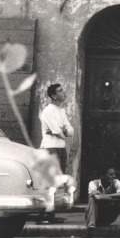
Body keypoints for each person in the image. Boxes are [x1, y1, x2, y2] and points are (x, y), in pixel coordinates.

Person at [38, 82, 73, 223]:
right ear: (53, 95)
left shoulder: (61, 111)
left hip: (60, 147)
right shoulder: (48, 111)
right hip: (50, 147)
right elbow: (59, 131)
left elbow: (70, 130)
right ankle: (44, 214)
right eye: (60, 91)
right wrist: (60, 131)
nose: (64, 92)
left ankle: (50, 214)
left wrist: (60, 131)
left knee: (58, 180)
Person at [81, 167, 120, 238]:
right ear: (102, 176)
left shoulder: (116, 182)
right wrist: (115, 197)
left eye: (114, 174)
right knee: (93, 199)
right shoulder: (93, 183)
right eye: (111, 174)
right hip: (96, 217)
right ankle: (90, 231)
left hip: (109, 216)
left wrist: (105, 196)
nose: (114, 176)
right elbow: (97, 197)